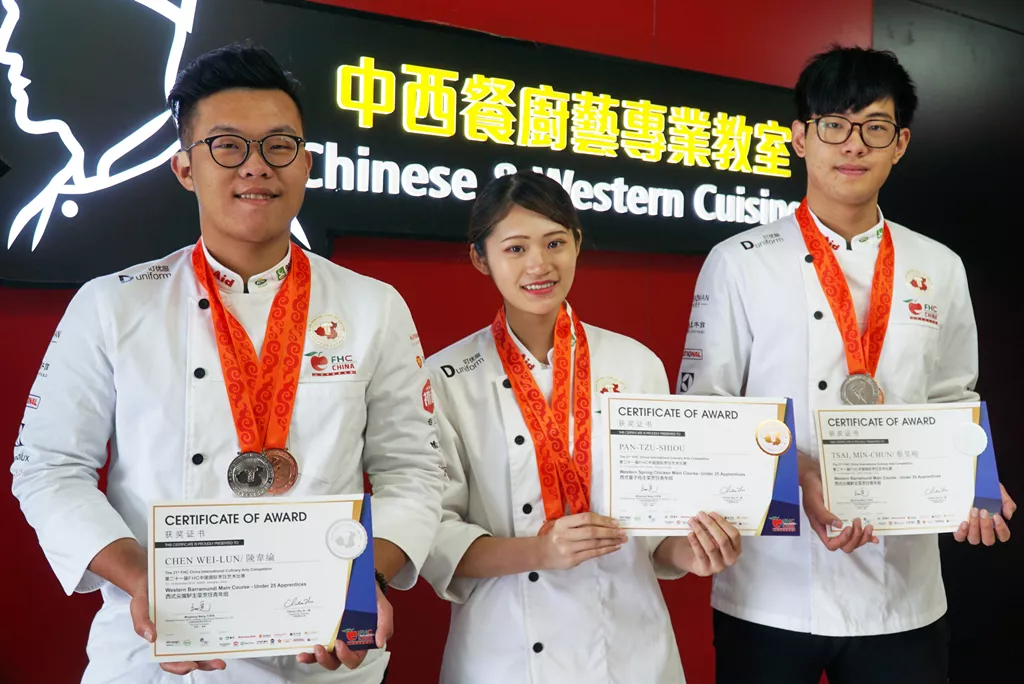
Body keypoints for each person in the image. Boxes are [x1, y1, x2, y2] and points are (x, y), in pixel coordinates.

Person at [10, 44, 445, 683]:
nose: (256, 166)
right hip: (155, 651)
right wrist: (141, 579)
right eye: (227, 146)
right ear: (185, 168)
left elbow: (414, 470)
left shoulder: (373, 306)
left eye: (279, 146)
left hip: (321, 649)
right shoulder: (112, 304)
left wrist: (363, 582)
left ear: (306, 164)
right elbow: (48, 467)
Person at [676, 45, 1016, 684]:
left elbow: (954, 398)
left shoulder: (939, 265)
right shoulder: (740, 260)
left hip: (903, 588)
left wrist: (974, 478)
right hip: (771, 585)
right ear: (800, 137)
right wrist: (800, 472)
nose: (853, 144)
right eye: (834, 124)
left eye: (875, 127)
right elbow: (707, 410)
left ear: (900, 144)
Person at [420, 170, 743, 684]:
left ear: (577, 243)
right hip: (505, 652)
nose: (539, 265)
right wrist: (540, 551)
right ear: (481, 258)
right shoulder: (446, 377)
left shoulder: (635, 363)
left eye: (555, 243)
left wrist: (695, 550)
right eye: (515, 248)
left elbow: (658, 526)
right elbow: (433, 532)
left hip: (630, 648)